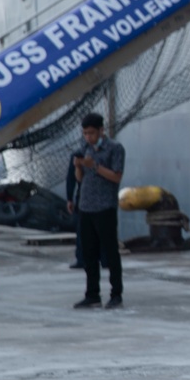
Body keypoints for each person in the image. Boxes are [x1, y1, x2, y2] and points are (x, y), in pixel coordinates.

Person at [72, 113, 125, 309]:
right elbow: (80, 179)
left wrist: (94, 165)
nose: (88, 137)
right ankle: (92, 293)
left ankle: (116, 293)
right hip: (86, 206)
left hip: (105, 206)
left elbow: (116, 177)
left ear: (102, 130)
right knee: (89, 253)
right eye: (85, 133)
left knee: (110, 252)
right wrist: (78, 167)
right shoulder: (84, 148)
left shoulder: (114, 149)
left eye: (92, 133)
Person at [66, 151, 83, 268]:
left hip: (99, 199)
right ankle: (81, 258)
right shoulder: (78, 155)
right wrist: (69, 198)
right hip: (83, 199)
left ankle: (105, 258)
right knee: (81, 231)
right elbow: (73, 178)